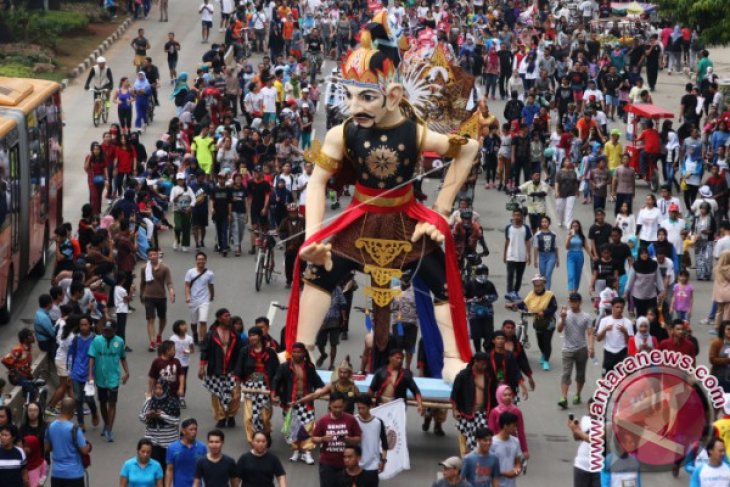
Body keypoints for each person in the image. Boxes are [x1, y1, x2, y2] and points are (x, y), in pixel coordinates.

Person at [283, 20, 479, 383]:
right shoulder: (342, 133)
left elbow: (469, 149)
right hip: (360, 217)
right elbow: (317, 183)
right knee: (316, 270)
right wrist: (313, 238)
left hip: (407, 219)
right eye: (349, 95)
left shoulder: (416, 133)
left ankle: (453, 355)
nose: (354, 106)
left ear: (392, 95)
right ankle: (302, 347)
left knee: (443, 280)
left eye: (366, 97)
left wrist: (439, 214)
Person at [271, 342, 324, 465]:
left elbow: (317, 382)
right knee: (292, 427)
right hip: (290, 402)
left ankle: (307, 452)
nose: (296, 354)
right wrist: (273, 394)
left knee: (308, 426)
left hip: (306, 402)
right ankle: (296, 450)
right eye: (294, 352)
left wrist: (321, 390)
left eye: (299, 352)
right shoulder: (284, 367)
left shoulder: (309, 367)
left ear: (304, 353)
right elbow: (276, 380)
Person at [233, 326, 278, 446]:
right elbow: (238, 371)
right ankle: (253, 441)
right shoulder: (244, 351)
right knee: (249, 418)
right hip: (250, 388)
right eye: (250, 335)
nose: (252, 337)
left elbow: (277, 374)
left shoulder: (270, 353)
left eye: (254, 335)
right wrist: (237, 390)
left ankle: (266, 433)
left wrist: (275, 392)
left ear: (260, 336)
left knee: (264, 418)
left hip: (266, 388)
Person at [199, 308, 242, 428]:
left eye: (229, 315)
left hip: (232, 369)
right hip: (215, 369)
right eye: (225, 316)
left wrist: (241, 369)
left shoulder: (235, 335)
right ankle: (221, 417)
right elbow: (204, 351)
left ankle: (231, 415)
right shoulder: (211, 334)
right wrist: (202, 367)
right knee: (217, 394)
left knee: (234, 393)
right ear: (219, 318)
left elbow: (240, 353)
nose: (228, 318)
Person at [88, 320, 130, 442]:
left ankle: (109, 430)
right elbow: (91, 357)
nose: (106, 332)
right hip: (100, 376)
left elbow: (123, 358)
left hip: (114, 377)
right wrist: (90, 374)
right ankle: (106, 424)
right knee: (102, 402)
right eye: (105, 330)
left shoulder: (119, 341)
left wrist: (127, 372)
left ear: (114, 331)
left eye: (109, 330)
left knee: (112, 403)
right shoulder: (97, 341)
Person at [508, 274, 557, 371]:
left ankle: (546, 361)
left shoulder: (550, 295)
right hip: (537, 322)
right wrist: (514, 305)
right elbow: (523, 304)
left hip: (548, 322)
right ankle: (543, 353)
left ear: (543, 285)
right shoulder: (531, 294)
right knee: (540, 342)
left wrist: (544, 312)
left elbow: (554, 307)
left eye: (540, 285)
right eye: (536, 286)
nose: (538, 288)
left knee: (547, 341)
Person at [311, 392, 362, 485]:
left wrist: (349, 440)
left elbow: (359, 438)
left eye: (340, 407)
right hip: (327, 464)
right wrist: (322, 439)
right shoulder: (323, 420)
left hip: (347, 464)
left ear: (345, 405)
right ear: (330, 404)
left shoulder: (351, 419)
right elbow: (313, 439)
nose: (338, 410)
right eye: (335, 407)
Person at [452, 352, 494, 456]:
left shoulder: (489, 376)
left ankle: (476, 458)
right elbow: (454, 395)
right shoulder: (463, 375)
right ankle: (470, 459)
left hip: (482, 414)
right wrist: (455, 410)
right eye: (482, 364)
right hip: (467, 413)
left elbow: (493, 393)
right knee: (469, 440)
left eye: (486, 364)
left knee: (480, 438)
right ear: (475, 362)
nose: (484, 366)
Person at [557, 293, 594, 409]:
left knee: (580, 374)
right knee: (566, 374)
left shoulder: (586, 317)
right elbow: (559, 330)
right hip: (567, 349)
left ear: (580, 302)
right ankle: (563, 397)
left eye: (575, 301)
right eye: (571, 301)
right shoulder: (565, 314)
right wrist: (562, 319)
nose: (573, 303)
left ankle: (577, 394)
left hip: (581, 349)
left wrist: (591, 347)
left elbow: (590, 332)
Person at [45, 398, 90, 487]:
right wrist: (88, 445)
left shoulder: (50, 427)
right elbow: (84, 450)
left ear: (61, 409)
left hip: (57, 474)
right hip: (74, 474)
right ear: (73, 411)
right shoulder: (74, 429)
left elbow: (47, 448)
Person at [139, 381, 181, 473]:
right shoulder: (149, 402)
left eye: (160, 389)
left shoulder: (173, 402)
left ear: (166, 389)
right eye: (156, 388)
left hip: (168, 443)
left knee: (167, 469)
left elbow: (176, 421)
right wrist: (149, 416)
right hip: (153, 441)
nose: (158, 391)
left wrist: (161, 416)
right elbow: (141, 417)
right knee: (155, 470)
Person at [66, 315, 99, 430]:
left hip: (90, 373)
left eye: (86, 325)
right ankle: (81, 422)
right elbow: (70, 355)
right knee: (78, 399)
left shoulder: (95, 339)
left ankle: (94, 413)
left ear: (90, 325)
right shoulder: (75, 339)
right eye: (81, 325)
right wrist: (69, 372)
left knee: (89, 398)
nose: (83, 327)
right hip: (76, 372)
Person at [140, 248, 175, 352]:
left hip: (161, 297)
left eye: (154, 255)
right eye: (150, 255)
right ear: (148, 256)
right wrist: (141, 294)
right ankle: (152, 341)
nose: (153, 257)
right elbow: (142, 283)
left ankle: (159, 335)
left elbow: (169, 282)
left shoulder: (164, 268)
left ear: (158, 255)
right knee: (150, 319)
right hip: (149, 297)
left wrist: (171, 292)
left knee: (162, 318)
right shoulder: (144, 268)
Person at [353, 395, 388, 484]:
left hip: (373, 466)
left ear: (370, 406)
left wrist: (383, 460)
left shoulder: (378, 422)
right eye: (359, 408)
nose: (360, 411)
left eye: (363, 408)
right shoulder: (354, 421)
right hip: (356, 465)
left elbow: (385, 444)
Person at [567, 399, 600, 487]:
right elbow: (577, 438)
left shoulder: (605, 423)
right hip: (582, 465)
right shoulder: (585, 419)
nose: (591, 413)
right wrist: (573, 429)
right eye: (589, 409)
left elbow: (593, 440)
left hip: (599, 468)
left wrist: (577, 430)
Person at [596, 298, 634, 375]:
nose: (619, 310)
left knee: (625, 376)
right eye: (617, 307)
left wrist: (625, 332)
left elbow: (630, 342)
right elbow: (598, 339)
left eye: (621, 307)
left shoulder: (628, 323)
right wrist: (605, 330)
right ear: (612, 307)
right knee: (607, 376)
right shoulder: (604, 321)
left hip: (622, 351)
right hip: (608, 352)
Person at [165, 418, 207, 487]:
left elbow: (205, 470)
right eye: (191, 429)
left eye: (195, 429)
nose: (194, 432)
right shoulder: (172, 448)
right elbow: (169, 469)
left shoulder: (202, 447)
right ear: (183, 431)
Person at [625, 246, 665, 317]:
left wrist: (662, 290)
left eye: (645, 253)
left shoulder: (654, 265)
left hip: (651, 295)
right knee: (641, 316)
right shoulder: (635, 266)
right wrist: (626, 292)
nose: (644, 255)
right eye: (642, 253)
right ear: (639, 255)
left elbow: (658, 279)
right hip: (638, 296)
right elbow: (630, 280)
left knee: (652, 316)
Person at [184, 252, 215, 344]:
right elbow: (187, 285)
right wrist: (187, 296)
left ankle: (202, 340)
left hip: (204, 300)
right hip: (193, 300)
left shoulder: (210, 274)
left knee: (203, 320)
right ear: (196, 260)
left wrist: (212, 295)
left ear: (205, 260)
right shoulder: (190, 272)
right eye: (199, 259)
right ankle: (195, 333)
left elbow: (211, 286)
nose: (200, 261)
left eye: (202, 259)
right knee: (194, 322)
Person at [315, 285, 347, 370]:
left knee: (334, 343)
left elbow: (343, 303)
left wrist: (344, 318)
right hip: (322, 320)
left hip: (334, 320)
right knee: (319, 343)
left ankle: (331, 364)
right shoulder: (320, 288)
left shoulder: (337, 289)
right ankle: (323, 354)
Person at [504, 209, 532, 302]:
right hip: (511, 255)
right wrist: (505, 254)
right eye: (515, 215)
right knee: (510, 275)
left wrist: (529, 255)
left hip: (521, 256)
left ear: (522, 217)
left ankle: (516, 291)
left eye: (518, 215)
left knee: (519, 276)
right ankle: (509, 292)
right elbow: (507, 241)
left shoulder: (526, 228)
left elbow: (527, 242)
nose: (516, 217)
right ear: (512, 216)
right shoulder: (509, 228)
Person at [490, 412, 523, 487]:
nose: (515, 428)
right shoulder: (492, 443)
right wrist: (504, 473)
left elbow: (517, 462)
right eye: (513, 426)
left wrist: (517, 470)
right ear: (505, 426)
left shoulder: (515, 441)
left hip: (511, 484)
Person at [170, 173, 195, 252]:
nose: (181, 181)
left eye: (182, 180)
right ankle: (177, 240)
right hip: (177, 211)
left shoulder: (189, 189)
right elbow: (171, 200)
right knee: (178, 227)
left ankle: (185, 244)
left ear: (184, 180)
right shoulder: (174, 189)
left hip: (187, 211)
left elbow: (194, 199)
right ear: (177, 181)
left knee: (186, 228)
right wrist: (177, 197)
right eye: (179, 180)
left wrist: (191, 207)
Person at [565, 220, 591, 294]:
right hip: (571, 255)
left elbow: (586, 247)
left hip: (579, 255)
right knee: (571, 274)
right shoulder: (569, 235)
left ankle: (575, 290)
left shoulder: (582, 236)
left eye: (576, 226)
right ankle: (571, 291)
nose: (575, 227)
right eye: (573, 226)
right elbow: (566, 247)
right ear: (571, 227)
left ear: (579, 227)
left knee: (577, 274)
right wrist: (570, 237)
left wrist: (592, 256)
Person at [555, 159, 579, 228]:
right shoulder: (559, 172)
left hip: (571, 193)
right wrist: (556, 192)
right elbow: (557, 182)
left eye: (569, 161)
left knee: (569, 208)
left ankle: (568, 223)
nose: (568, 162)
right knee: (560, 209)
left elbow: (575, 182)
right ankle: (560, 220)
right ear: (563, 163)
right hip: (561, 192)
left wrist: (577, 191)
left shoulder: (573, 172)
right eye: (566, 161)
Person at [710, 322, 730, 392]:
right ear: (723, 330)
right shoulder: (717, 343)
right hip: (718, 377)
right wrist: (727, 360)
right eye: (728, 329)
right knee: (718, 401)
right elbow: (712, 359)